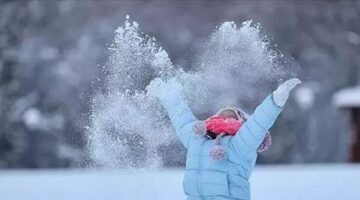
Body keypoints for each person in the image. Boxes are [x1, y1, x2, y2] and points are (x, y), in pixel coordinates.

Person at [146, 78, 301, 200]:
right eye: (223, 114)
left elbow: (258, 123)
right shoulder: (197, 139)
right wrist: (167, 94)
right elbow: (182, 118)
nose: (227, 117)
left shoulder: (241, 143)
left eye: (233, 116)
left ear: (242, 123)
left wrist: (275, 101)